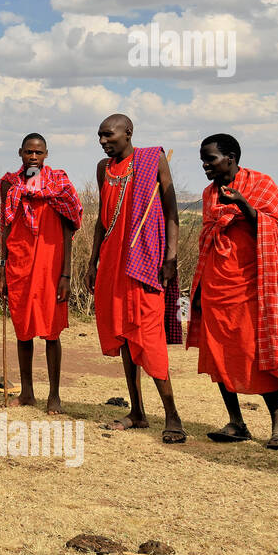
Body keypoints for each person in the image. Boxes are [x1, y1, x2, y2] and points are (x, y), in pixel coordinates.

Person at [189, 134, 278, 450]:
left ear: (230, 157)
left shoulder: (260, 184)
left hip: (251, 285)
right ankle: (236, 422)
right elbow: (207, 236)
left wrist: (243, 204)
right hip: (216, 284)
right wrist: (199, 289)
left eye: (210, 158)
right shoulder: (208, 193)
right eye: (202, 159)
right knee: (218, 355)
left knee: (256, 353)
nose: (205, 165)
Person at [83, 114, 185, 443]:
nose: (103, 141)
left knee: (148, 337)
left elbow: (171, 211)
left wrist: (171, 258)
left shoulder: (152, 159)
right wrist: (92, 260)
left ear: (128, 133)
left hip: (145, 263)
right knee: (125, 336)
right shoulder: (104, 168)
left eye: (108, 135)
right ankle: (137, 412)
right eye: (99, 136)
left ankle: (172, 416)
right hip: (113, 263)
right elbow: (102, 218)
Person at [0, 133, 83, 414]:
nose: (33, 157)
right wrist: (2, 270)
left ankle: (54, 395)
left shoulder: (60, 183)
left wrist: (66, 274)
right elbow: (5, 228)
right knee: (23, 330)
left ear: (46, 154)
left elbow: (70, 227)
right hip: (19, 263)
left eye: (39, 152)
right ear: (20, 152)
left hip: (51, 264)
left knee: (51, 331)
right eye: (28, 152)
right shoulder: (9, 183)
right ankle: (27, 393)